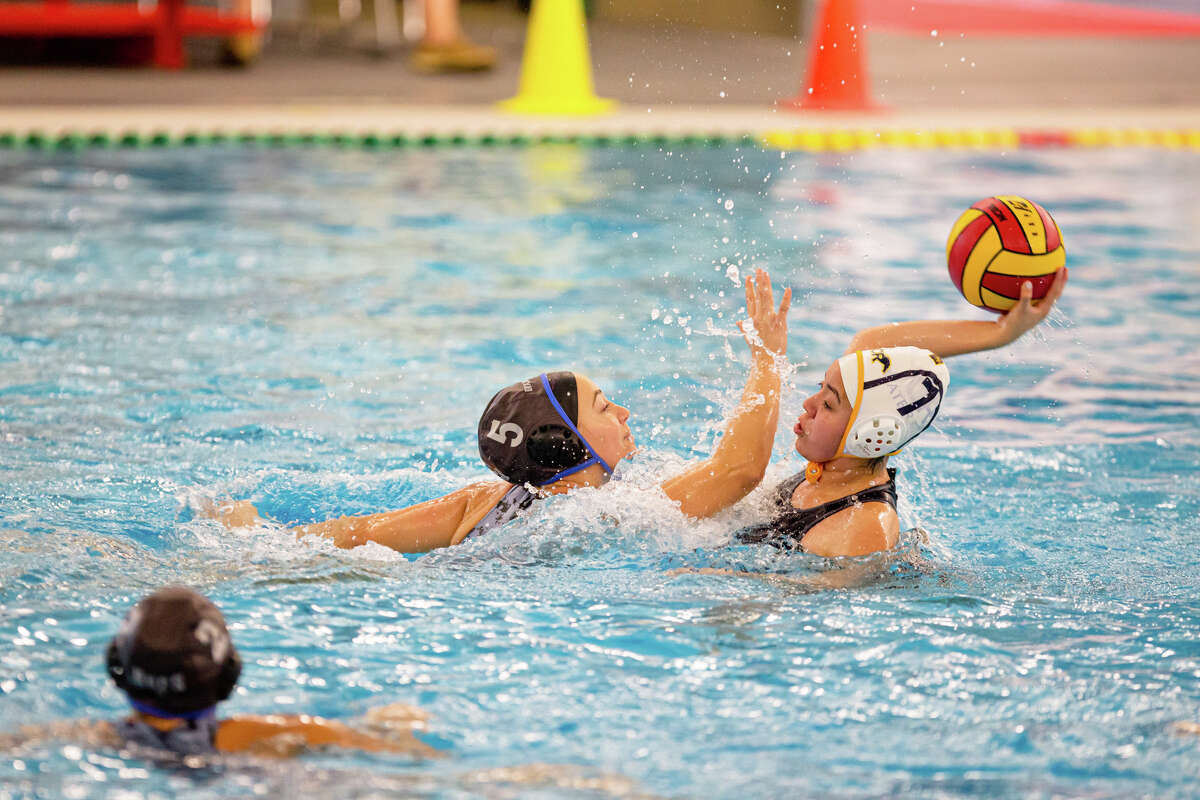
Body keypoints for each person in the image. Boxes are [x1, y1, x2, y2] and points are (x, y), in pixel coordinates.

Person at [217, 269, 793, 551]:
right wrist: (767, 361)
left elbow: (360, 535)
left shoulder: (488, 501)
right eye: (601, 405)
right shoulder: (618, 515)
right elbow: (738, 472)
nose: (623, 411)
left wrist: (259, 540)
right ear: (568, 444)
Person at [734, 268, 1068, 559]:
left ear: (869, 434)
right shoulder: (837, 469)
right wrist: (1000, 333)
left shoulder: (863, 530)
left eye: (828, 403)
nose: (808, 403)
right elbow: (871, 341)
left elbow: (803, 603)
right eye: (821, 388)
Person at [0, 587, 436, 758]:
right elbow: (413, 759)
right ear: (227, 675)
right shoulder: (262, 735)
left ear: (119, 672)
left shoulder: (90, 737)